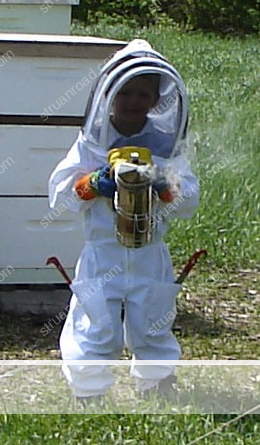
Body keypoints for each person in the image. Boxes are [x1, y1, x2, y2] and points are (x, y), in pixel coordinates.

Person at [48, 39, 199, 402]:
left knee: (154, 320)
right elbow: (61, 194)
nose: (134, 101)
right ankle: (88, 391)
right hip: (104, 253)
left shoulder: (165, 144)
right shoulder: (91, 143)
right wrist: (95, 183)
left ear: (157, 97)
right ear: (110, 95)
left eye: (143, 93)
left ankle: (158, 384)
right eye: (126, 92)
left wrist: (164, 184)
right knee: (94, 324)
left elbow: (188, 199)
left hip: (150, 253)